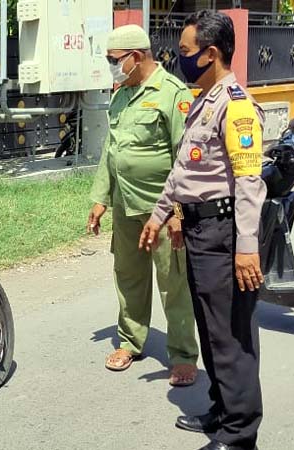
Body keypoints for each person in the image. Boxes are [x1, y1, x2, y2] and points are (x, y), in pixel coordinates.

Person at [139, 10, 265, 450]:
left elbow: (250, 183)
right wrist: (160, 215)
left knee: (231, 336)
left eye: (187, 52)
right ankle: (222, 408)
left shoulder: (236, 106)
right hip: (198, 231)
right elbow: (182, 174)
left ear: (211, 54)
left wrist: (246, 248)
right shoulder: (202, 102)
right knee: (212, 331)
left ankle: (240, 432)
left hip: (225, 233)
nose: (179, 59)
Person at [88, 25, 199, 386]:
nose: (110, 66)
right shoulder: (120, 95)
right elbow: (111, 150)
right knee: (128, 276)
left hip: (164, 210)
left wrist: (179, 213)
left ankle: (183, 355)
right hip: (125, 206)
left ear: (136, 57)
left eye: (113, 60)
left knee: (174, 283)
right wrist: (100, 198)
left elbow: (186, 160)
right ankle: (130, 341)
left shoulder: (173, 94)